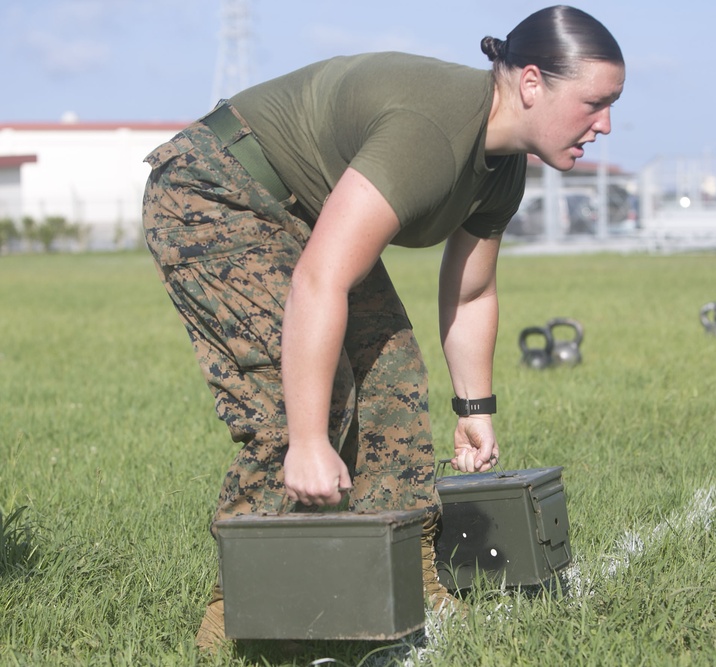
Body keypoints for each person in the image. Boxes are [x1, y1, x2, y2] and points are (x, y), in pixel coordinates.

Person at [141, 4, 624, 653]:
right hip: (216, 189)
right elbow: (320, 282)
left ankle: (413, 576)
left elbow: (472, 289)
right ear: (531, 83)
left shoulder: (503, 164)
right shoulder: (434, 130)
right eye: (595, 103)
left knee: (390, 369)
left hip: (301, 214)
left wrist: (474, 407)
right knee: (293, 405)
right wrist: (309, 439)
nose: (606, 124)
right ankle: (237, 617)